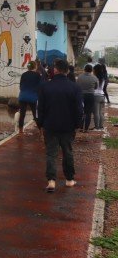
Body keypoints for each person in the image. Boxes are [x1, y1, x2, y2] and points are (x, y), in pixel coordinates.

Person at [37, 59, 83, 192]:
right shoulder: (75, 87)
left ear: (55, 70)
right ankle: (69, 179)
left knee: (51, 153)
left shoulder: (45, 87)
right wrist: (77, 125)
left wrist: (40, 124)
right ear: (67, 71)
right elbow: (79, 109)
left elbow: (40, 108)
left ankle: (51, 181)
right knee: (67, 152)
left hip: (50, 125)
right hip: (68, 127)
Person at [17, 62, 41, 132]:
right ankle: (41, 132)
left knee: (22, 114)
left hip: (22, 96)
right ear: (35, 67)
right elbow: (40, 86)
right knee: (35, 114)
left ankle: (20, 131)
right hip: (33, 97)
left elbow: (21, 86)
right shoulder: (37, 75)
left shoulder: (24, 74)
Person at [76, 64, 98, 132]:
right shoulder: (94, 77)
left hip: (81, 95)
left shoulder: (79, 77)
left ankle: (80, 127)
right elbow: (96, 87)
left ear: (84, 69)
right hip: (90, 96)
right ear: (91, 70)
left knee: (81, 111)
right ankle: (86, 129)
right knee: (88, 113)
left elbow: (77, 85)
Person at [94, 63, 107, 130]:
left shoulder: (95, 78)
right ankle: (101, 126)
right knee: (100, 112)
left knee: (96, 113)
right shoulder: (103, 78)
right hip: (102, 96)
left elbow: (95, 88)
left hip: (96, 96)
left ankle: (97, 127)